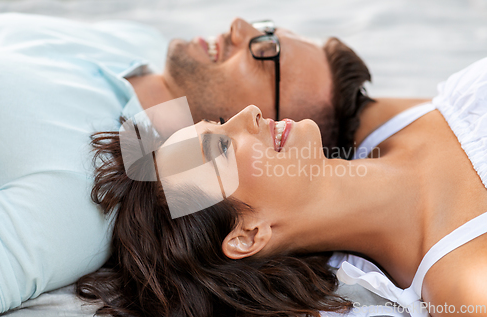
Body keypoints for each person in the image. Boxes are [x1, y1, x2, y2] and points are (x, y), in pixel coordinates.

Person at [0, 13, 372, 316]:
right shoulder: (140, 40)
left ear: (277, 129)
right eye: (267, 28)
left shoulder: (83, 198)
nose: (239, 26)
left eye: (266, 53)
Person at [77, 57, 487, 317]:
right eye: (219, 146)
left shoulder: (407, 118)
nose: (249, 112)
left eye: (220, 122)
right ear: (248, 234)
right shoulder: (468, 287)